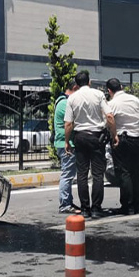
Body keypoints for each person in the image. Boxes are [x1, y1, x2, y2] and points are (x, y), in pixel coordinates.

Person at [64, 71, 115, 219]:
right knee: (98, 174)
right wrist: (114, 134)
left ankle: (85, 208)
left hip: (80, 136)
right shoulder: (98, 95)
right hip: (96, 137)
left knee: (82, 174)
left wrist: (67, 142)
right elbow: (110, 115)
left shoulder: (72, 98)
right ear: (89, 82)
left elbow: (68, 123)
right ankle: (96, 208)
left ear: (76, 84)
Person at [106, 78, 139, 215]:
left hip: (122, 138)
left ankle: (127, 205)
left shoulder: (112, 103)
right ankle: (137, 204)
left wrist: (114, 134)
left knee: (124, 172)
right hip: (137, 138)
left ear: (109, 91)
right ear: (121, 87)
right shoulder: (136, 100)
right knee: (135, 172)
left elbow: (109, 119)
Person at [54, 82, 80, 214]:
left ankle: (68, 201)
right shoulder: (64, 103)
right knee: (67, 175)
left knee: (69, 174)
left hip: (65, 143)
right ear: (75, 88)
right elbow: (69, 123)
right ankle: (64, 204)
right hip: (66, 143)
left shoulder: (63, 102)